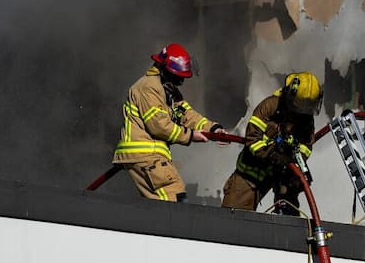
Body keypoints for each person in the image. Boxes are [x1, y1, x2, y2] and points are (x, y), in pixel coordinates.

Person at [112, 42, 222, 202]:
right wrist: (191, 136)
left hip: (152, 155)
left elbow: (187, 115)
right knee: (173, 199)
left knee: (163, 204)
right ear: (163, 69)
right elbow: (159, 126)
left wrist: (213, 128)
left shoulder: (167, 89)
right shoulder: (149, 87)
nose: (180, 83)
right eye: (177, 77)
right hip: (146, 155)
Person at [222, 72, 321, 213]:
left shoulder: (306, 118)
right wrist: (274, 154)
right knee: (233, 218)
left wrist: (294, 161)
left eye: (307, 107)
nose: (302, 112)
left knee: (289, 214)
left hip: (281, 173)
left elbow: (306, 145)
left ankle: (287, 225)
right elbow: (252, 139)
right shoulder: (270, 106)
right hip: (251, 173)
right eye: (299, 106)